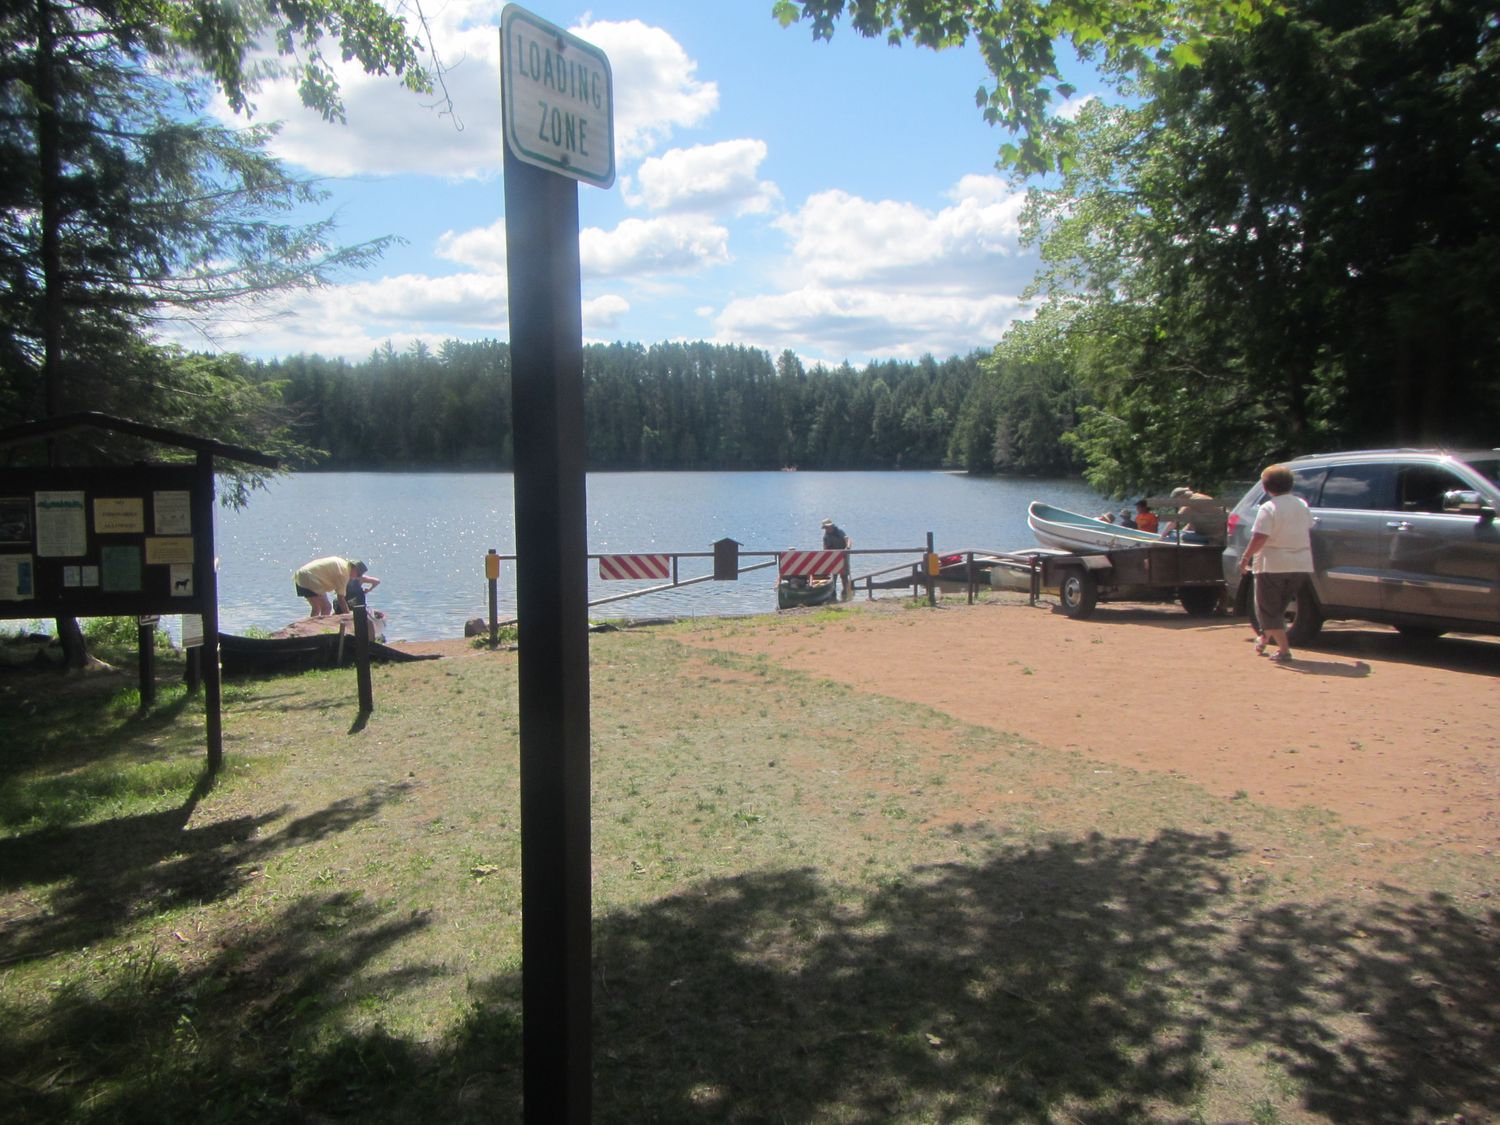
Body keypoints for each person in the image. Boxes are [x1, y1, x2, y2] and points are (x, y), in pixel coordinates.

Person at [1237, 464, 1314, 663]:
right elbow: (1308, 526)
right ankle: (1264, 638)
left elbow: (1260, 537)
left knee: (1267, 609)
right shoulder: (1301, 504)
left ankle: (1284, 650)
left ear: (1265, 487)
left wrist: (1245, 557)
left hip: (1273, 565)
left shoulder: (1268, 507)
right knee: (1278, 607)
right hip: (1300, 565)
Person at [293, 556, 379, 617]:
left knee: (316, 608)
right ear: (354, 569)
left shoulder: (341, 563)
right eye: (358, 574)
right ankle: (321, 629)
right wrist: (348, 616)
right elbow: (341, 599)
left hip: (300, 576)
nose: (357, 577)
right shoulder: (344, 573)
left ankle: (312, 628)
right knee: (327, 607)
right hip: (310, 578)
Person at [820, 517, 853, 600]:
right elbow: (825, 547)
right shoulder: (826, 536)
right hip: (832, 558)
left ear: (831, 526)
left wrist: (847, 548)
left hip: (843, 556)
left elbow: (848, 539)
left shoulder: (839, 532)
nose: (827, 529)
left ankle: (845, 592)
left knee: (844, 576)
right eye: (825, 528)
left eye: (828, 527)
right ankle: (833, 593)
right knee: (833, 576)